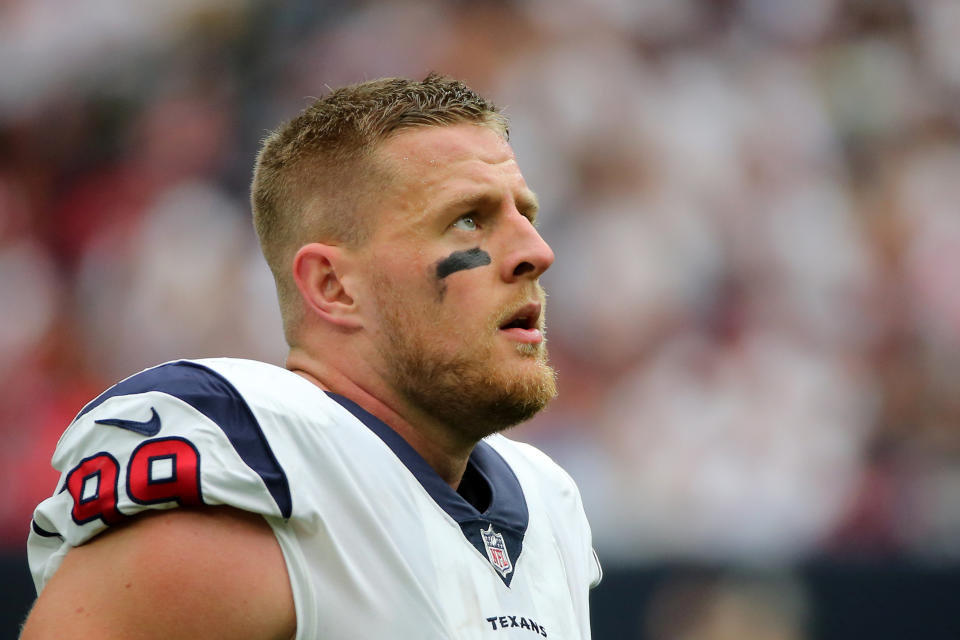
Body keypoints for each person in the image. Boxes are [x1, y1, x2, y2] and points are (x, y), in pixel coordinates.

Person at [21, 74, 601, 639]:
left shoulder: (545, 504)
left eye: (525, 214)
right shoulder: (253, 470)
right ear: (333, 287)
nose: (536, 251)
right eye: (469, 219)